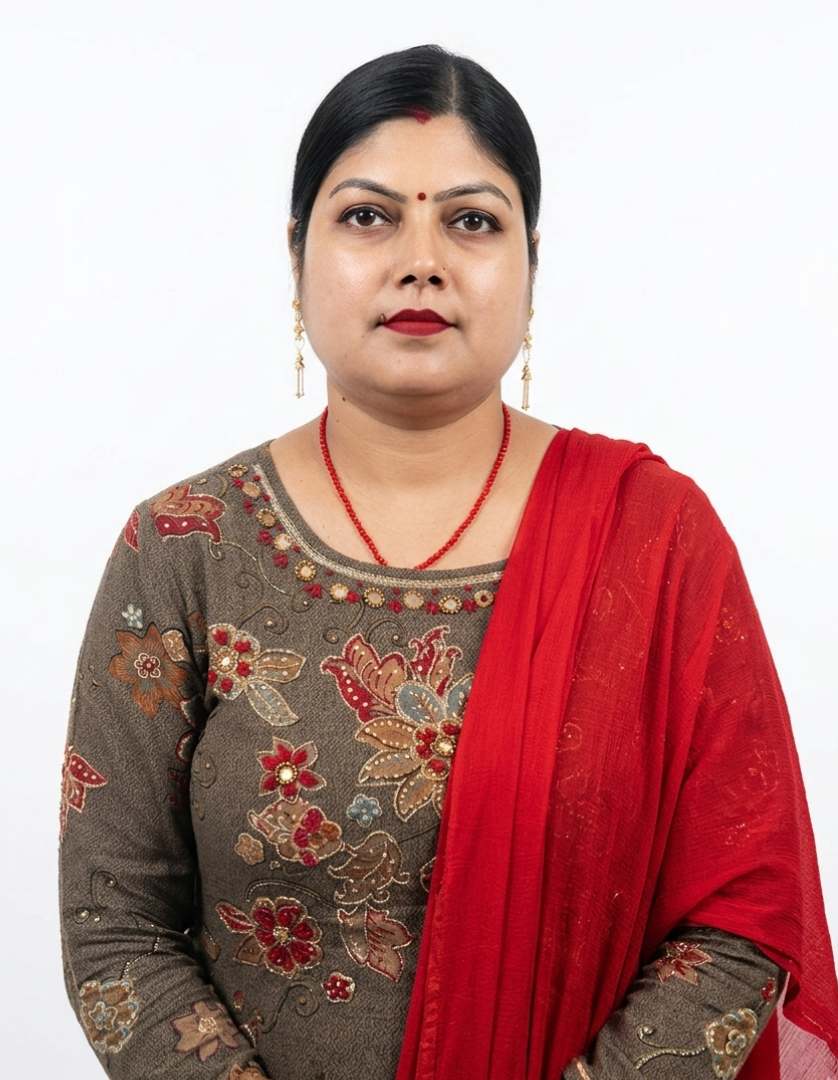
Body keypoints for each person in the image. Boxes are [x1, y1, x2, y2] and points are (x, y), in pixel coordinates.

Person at [58, 43, 838, 1080]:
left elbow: (745, 913)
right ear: (296, 254)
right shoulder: (185, 546)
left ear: (531, 264)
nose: (420, 259)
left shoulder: (656, 540)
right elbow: (114, 926)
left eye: (471, 221)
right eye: (367, 216)